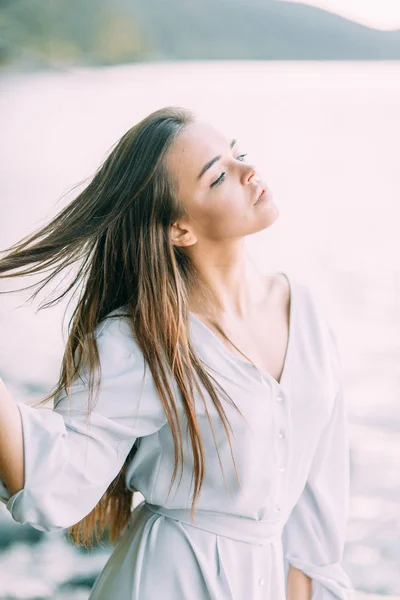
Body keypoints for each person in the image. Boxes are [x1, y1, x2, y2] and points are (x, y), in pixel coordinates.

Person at [0, 106, 354, 599]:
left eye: (239, 154)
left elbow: (315, 521)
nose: (249, 172)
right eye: (218, 177)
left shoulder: (306, 311)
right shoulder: (140, 339)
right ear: (179, 229)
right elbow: (51, 483)